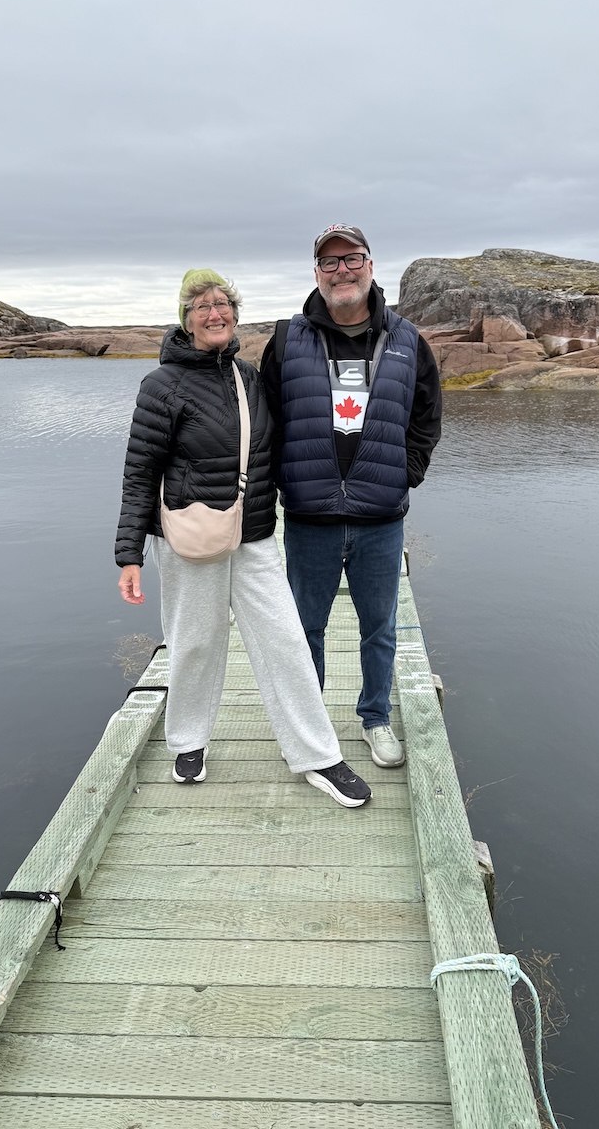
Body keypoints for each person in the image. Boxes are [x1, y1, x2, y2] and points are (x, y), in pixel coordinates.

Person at [115, 268, 371, 808]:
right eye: (202, 306)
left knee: (284, 640)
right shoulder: (161, 386)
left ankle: (318, 755)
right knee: (195, 642)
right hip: (189, 536)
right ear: (185, 319)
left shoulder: (248, 377)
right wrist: (129, 553)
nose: (215, 314)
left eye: (223, 305)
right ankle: (188, 742)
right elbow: (140, 472)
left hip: (253, 533)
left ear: (235, 314)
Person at [261, 226, 442, 769]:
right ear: (316, 273)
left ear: (370, 265)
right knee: (304, 627)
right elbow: (265, 417)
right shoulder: (287, 338)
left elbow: (427, 416)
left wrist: (405, 471)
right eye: (330, 262)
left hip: (380, 516)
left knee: (379, 626)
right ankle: (311, 724)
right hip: (309, 515)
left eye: (352, 259)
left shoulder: (408, 340)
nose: (342, 270)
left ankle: (375, 719)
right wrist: (276, 482)